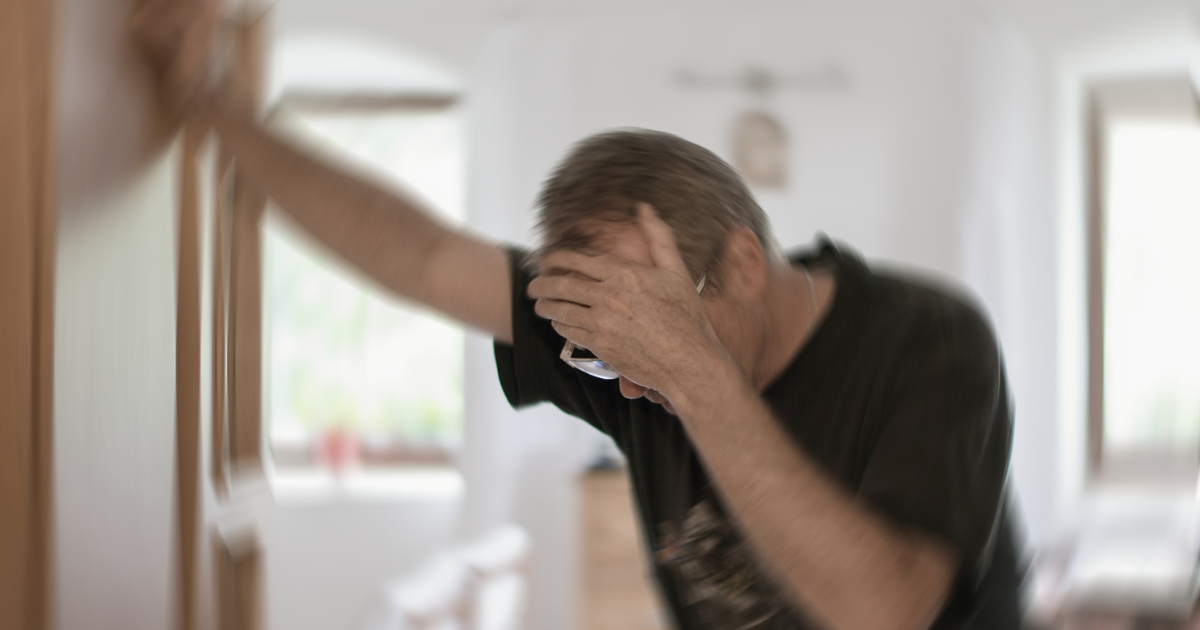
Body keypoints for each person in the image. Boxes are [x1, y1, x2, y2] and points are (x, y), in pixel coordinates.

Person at [135, 5, 1022, 629]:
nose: (632, 379)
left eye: (653, 331)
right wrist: (210, 104)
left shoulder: (931, 343)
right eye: (602, 349)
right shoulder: (611, 331)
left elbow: (886, 610)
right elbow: (418, 255)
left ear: (746, 264)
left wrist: (692, 370)